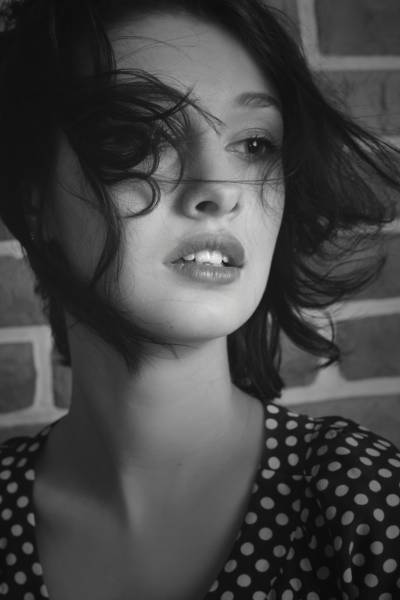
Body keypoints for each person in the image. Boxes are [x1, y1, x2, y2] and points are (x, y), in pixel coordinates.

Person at [0, 0, 400, 598]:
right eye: (136, 135)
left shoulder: (369, 505)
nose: (219, 189)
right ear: (35, 197)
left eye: (255, 144)